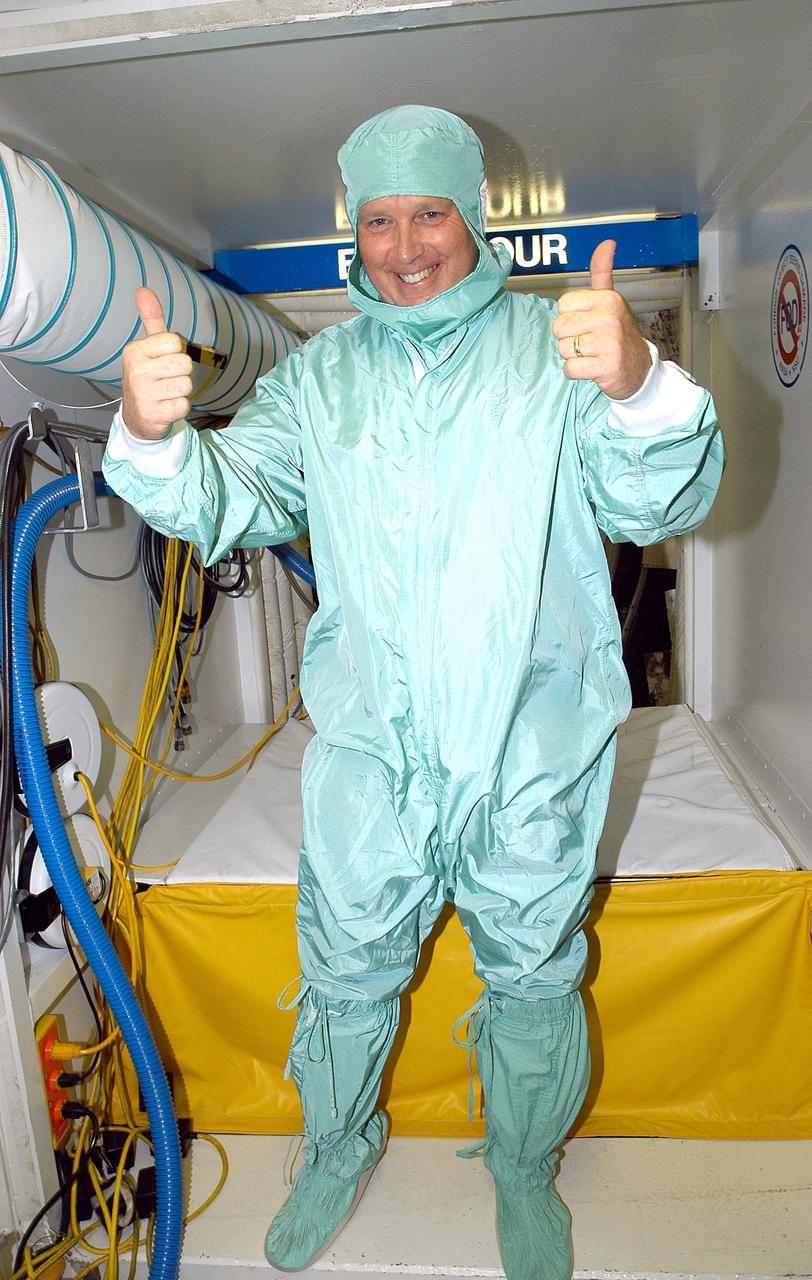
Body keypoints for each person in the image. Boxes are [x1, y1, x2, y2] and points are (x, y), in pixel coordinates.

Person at [103, 105, 724, 1280]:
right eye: (377, 217)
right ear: (355, 229)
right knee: (341, 969)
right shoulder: (319, 379)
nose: (402, 243)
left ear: (471, 215)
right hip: (373, 751)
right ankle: (337, 1147)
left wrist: (639, 382)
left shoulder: (555, 352)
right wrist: (152, 432)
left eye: (426, 210)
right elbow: (232, 496)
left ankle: (524, 1164)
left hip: (527, 741)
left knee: (534, 974)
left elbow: (656, 507)